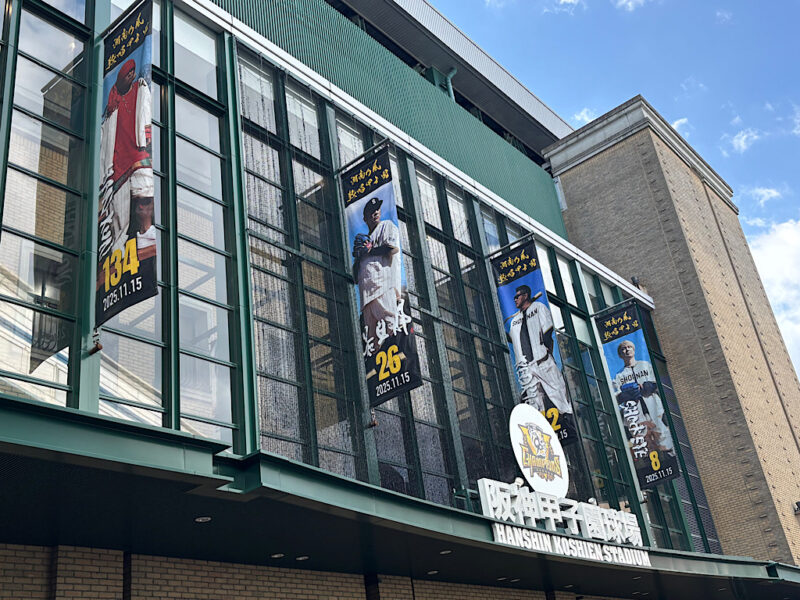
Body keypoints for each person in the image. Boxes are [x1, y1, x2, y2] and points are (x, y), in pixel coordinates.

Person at [98, 58, 153, 274]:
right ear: (120, 78)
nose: (131, 76)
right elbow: (104, 146)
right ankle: (117, 262)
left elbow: (145, 113)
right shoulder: (111, 108)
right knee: (119, 223)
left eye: (132, 73)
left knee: (146, 198)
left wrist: (146, 136)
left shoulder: (140, 89)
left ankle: (146, 240)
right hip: (119, 169)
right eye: (127, 74)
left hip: (139, 157)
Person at [506, 284, 572, 415]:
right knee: (535, 406)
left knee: (559, 396)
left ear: (525, 296)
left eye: (517, 297)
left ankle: (568, 419)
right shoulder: (514, 320)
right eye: (514, 297)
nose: (515, 299)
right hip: (527, 368)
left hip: (543, 361)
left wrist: (548, 353)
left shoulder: (539, 307)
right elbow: (515, 341)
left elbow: (547, 332)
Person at [353, 197, 401, 345]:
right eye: (371, 211)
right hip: (366, 295)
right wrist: (358, 256)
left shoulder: (386, 225)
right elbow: (355, 277)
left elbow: (391, 248)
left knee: (391, 325)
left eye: (377, 209)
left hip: (383, 286)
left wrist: (369, 251)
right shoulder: (365, 240)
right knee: (371, 340)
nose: (375, 213)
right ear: (365, 218)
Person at [612, 340, 674, 452]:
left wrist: (647, 386)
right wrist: (628, 393)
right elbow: (617, 396)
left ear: (634, 350)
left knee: (664, 440)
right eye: (623, 349)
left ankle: (669, 455)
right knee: (644, 443)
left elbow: (656, 382)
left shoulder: (644, 365)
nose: (627, 350)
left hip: (653, 407)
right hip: (635, 413)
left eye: (629, 347)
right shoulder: (619, 375)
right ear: (620, 355)